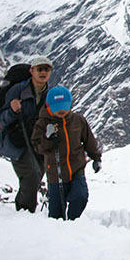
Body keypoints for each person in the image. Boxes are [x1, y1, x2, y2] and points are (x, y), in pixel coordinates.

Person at [31, 85, 102, 220]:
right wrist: (48, 137)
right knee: (56, 214)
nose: (62, 111)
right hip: (55, 174)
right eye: (58, 108)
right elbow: (37, 146)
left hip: (76, 169)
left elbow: (89, 140)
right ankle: (58, 232)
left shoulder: (78, 120)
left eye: (64, 106)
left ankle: (73, 223)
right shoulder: (43, 123)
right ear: (49, 107)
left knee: (80, 196)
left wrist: (96, 158)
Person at [0, 55, 53, 213]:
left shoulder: (50, 94)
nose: (43, 72)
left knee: (36, 175)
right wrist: (13, 111)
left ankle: (22, 208)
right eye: (39, 69)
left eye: (46, 69)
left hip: (38, 143)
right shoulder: (18, 90)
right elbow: (2, 119)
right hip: (19, 142)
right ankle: (25, 213)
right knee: (31, 176)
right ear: (31, 71)